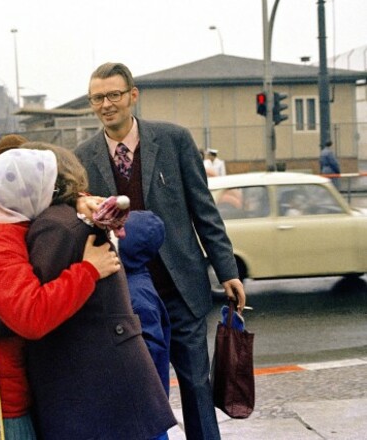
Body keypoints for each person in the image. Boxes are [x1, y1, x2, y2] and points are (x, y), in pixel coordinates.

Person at [0, 142, 177, 439]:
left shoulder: (53, 227)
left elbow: (30, 311)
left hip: (91, 396)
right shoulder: (58, 219)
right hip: (104, 391)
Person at [74, 62, 246, 440]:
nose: (107, 104)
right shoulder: (82, 156)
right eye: (98, 98)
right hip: (125, 297)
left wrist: (228, 270)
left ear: (133, 96)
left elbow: (204, 210)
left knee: (197, 386)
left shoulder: (173, 140)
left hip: (180, 288)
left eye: (114, 95)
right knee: (140, 396)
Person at [118, 210, 172, 440]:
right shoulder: (133, 280)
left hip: (145, 410)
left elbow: (149, 351)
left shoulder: (137, 295)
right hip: (145, 409)